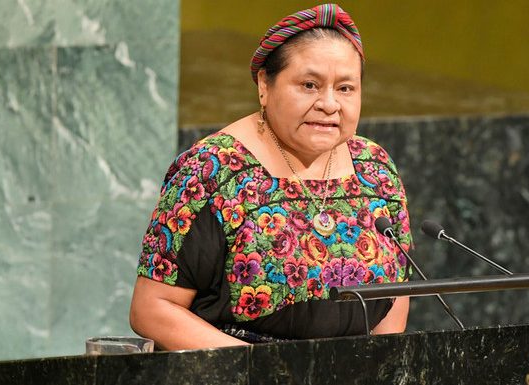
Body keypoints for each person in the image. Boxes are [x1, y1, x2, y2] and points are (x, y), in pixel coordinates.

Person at [129, 4, 413, 350]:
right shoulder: (212, 170)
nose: (329, 104)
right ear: (265, 84)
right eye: (309, 85)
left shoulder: (375, 168)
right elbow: (152, 309)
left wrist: (380, 366)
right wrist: (265, 370)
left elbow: (397, 292)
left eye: (345, 88)